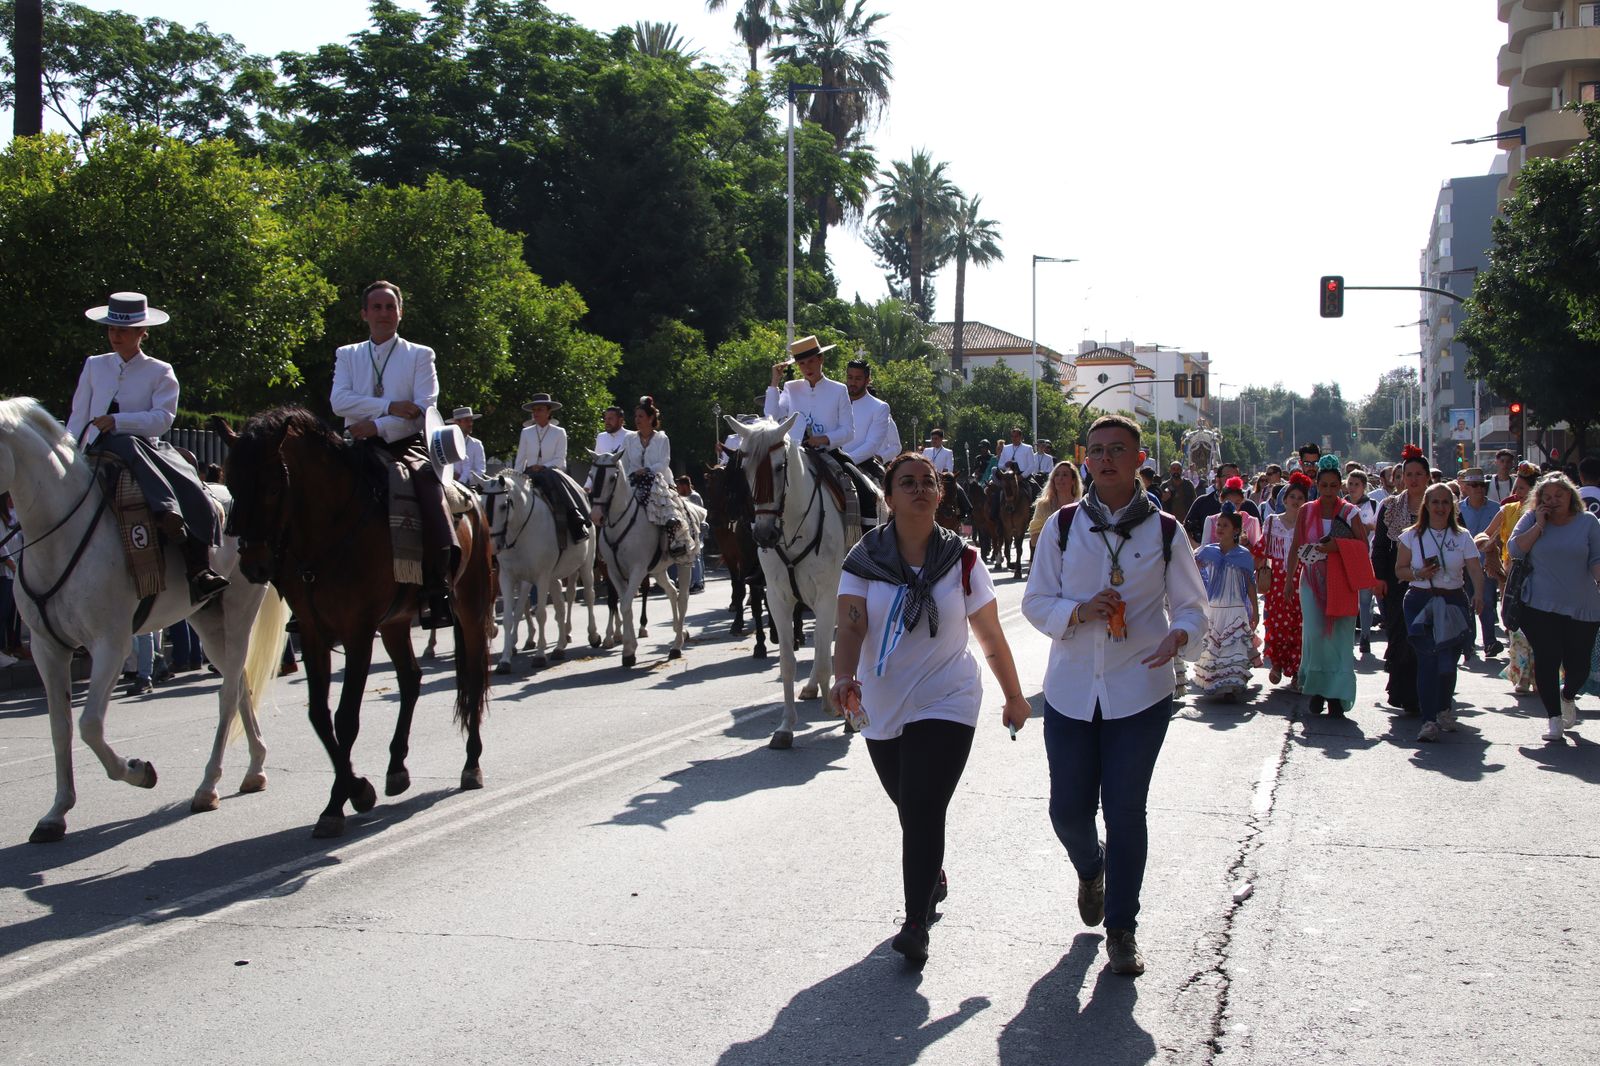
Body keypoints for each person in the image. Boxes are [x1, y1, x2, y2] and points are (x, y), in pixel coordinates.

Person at [1021, 414, 1208, 976]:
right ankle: (1090, 868)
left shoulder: (1166, 530)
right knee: (1067, 811)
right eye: (1096, 450)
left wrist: (1182, 635)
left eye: (1117, 450)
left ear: (1138, 458)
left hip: (1140, 692)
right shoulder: (1061, 526)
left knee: (1126, 811)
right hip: (1072, 691)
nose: (1104, 459)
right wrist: (1075, 612)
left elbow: (1193, 606)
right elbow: (1035, 601)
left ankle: (1122, 929)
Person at [833, 452, 1030, 967]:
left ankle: (915, 923)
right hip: (880, 702)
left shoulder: (963, 561)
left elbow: (989, 635)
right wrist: (843, 676)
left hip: (949, 697)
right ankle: (932, 870)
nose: (920, 489)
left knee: (921, 804)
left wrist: (1013, 694)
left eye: (929, 482)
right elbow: (851, 626)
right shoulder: (863, 560)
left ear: (941, 495)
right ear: (888, 496)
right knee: (909, 806)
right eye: (908, 482)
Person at [67, 292, 229, 605]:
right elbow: (78, 416)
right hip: (93, 448)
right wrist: (67, 453)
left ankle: (198, 567)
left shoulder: (161, 371)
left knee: (190, 486)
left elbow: (162, 419)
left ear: (143, 333)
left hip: (145, 446)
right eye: (112, 329)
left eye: (124, 330)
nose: (115, 335)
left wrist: (118, 420)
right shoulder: (94, 365)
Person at [330, 280, 455, 622]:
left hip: (404, 443)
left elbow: (424, 408)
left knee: (430, 491)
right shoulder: (347, 354)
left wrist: (378, 424)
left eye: (390, 307)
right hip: (355, 444)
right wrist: (389, 405)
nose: (384, 313)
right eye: (377, 307)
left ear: (400, 312)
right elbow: (338, 402)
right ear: (364, 313)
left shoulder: (420, 354)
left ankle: (437, 583)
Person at [1508, 472, 1600, 742]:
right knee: (1547, 659)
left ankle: (1567, 695)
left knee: (1579, 666)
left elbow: (1596, 559)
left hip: (1583, 606)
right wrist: (1538, 525)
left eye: (1559, 495)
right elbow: (1516, 550)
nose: (1553, 501)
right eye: (1546, 496)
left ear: (1571, 496)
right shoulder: (1532, 518)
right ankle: (1554, 720)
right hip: (1538, 604)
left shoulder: (1588, 522)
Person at [1397, 483, 1486, 742]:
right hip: (1420, 601)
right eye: (1435, 502)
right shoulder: (1410, 536)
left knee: (1447, 661)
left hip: (1452, 602)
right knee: (1428, 660)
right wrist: (1418, 573)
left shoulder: (1462, 537)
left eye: (1445, 502)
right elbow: (1399, 570)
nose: (1440, 507)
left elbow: (1474, 571)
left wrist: (1479, 594)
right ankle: (1428, 721)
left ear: (1452, 506)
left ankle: (1444, 708)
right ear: (1426, 505)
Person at [1291, 455, 1369, 717]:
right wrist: (1290, 581)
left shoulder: (1350, 513)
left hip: (1342, 583)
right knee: (1314, 636)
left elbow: (1363, 547)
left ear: (1341, 486)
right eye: (1323, 485)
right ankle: (1317, 690)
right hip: (1311, 581)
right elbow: (1296, 547)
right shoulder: (1306, 511)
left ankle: (1337, 694)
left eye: (1333, 486)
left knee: (1339, 639)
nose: (1328, 491)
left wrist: (1338, 547)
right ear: (1317, 485)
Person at [1372, 446, 1431, 716]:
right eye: (1409, 474)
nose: (1414, 479)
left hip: (1434, 582)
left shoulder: (1440, 503)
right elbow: (1381, 547)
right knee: (1402, 636)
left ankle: (1431, 692)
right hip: (1398, 582)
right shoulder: (1390, 507)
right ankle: (1405, 693)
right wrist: (1379, 579)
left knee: (1430, 637)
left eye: (1419, 473)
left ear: (1428, 476)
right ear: (1401, 478)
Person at [1478, 466, 1541, 693]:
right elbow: (1485, 534)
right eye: (1516, 488)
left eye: (1523, 489)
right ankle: (1522, 677)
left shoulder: (1545, 514)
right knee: (1516, 629)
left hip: (1541, 578)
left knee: (1542, 630)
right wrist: (1488, 548)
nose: (1518, 493)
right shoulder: (1507, 510)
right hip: (1511, 578)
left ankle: (1541, 676)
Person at [1192, 506, 1259, 701]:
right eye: (1218, 524)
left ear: (1236, 530)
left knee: (1233, 646)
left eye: (1225, 525)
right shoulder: (1207, 552)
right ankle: (1215, 681)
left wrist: (1255, 610)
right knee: (1214, 648)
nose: (1220, 528)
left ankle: (1231, 685)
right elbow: (1192, 569)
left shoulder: (1244, 554)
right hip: (1214, 608)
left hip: (1236, 608)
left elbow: (1250, 585)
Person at [615, 396, 690, 556]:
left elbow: (664, 463)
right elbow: (624, 462)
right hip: (634, 480)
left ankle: (675, 542)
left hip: (659, 480)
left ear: (650, 418)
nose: (637, 420)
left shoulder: (662, 439)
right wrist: (629, 477)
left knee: (670, 510)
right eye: (636, 416)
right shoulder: (629, 438)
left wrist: (647, 469)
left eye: (641, 416)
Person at [514, 393, 590, 542]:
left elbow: (560, 460)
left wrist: (542, 467)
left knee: (557, 485)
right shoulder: (526, 432)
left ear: (549, 412)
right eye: (534, 410)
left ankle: (575, 518)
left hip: (551, 472)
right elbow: (520, 459)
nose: (536, 413)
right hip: (529, 473)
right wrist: (515, 477)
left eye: (540, 409)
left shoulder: (559, 432)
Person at [1258, 471, 1310, 686]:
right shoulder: (1272, 522)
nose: (1295, 502)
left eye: (1300, 498)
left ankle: (1297, 670)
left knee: (1300, 624)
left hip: (1301, 577)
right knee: (1277, 623)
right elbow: (1261, 550)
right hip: (1277, 579)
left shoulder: (1308, 524)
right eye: (1292, 497)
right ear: (1285, 500)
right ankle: (1277, 664)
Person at [1456, 468, 1503, 657]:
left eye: (1482, 485)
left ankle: (1490, 642)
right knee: (1467, 604)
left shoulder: (1496, 508)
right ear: (1466, 487)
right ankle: (1469, 645)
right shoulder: (1457, 509)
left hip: (1487, 565)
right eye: (1474, 485)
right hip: (1464, 566)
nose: (1479, 489)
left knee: (1488, 603)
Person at [1345, 469, 1381, 656]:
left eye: (1356, 484)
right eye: (1350, 484)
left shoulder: (1372, 505)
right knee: (1350, 602)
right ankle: (1349, 638)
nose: (1352, 488)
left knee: (1365, 601)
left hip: (1367, 558)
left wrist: (1365, 528)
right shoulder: (1342, 505)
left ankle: (1365, 636)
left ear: (1364, 487)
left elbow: (1376, 527)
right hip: (1347, 560)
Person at [1185, 463, 1261, 545]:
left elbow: (1258, 545)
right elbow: (1187, 530)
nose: (1231, 480)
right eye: (1228, 476)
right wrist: (1200, 549)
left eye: (1235, 477)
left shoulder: (1249, 507)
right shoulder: (1202, 503)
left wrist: (1246, 544)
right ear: (1217, 480)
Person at [843, 359, 893, 479]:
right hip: (828, 462)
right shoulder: (834, 401)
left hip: (863, 466)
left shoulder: (880, 407)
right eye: (850, 377)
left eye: (858, 379)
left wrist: (845, 462)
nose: (852, 382)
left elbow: (872, 444)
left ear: (868, 380)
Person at [1026, 461, 1083, 551]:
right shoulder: (1043, 505)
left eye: (1065, 475)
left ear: (1073, 480)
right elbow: (1033, 540)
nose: (1060, 478)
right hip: (1049, 558)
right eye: (1057, 475)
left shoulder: (1083, 507)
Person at [1199, 477, 1262, 550]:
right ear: (1221, 500)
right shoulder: (1211, 520)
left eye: (1237, 503)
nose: (1233, 507)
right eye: (1228, 502)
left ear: (1242, 502)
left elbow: (1257, 552)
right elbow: (1204, 549)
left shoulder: (1251, 521)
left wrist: (1246, 543)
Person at [673, 475, 706, 593]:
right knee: (692, 555)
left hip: (698, 527)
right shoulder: (681, 497)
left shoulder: (694, 497)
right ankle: (694, 580)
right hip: (688, 529)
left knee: (697, 555)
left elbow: (699, 513)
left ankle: (698, 582)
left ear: (685, 485)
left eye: (679, 486)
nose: (677, 488)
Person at [448, 407, 487, 484]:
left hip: (469, 489)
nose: (470, 424)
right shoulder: (447, 442)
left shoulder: (476, 444)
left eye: (471, 420)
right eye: (466, 421)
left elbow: (480, 472)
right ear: (456, 423)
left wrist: (463, 478)